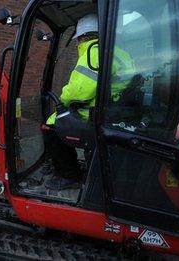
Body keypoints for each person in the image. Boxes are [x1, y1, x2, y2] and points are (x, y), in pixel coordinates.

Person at [43, 14, 134, 190]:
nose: (77, 43)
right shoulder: (118, 51)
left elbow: (80, 91)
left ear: (84, 36)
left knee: (50, 126)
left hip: (94, 113)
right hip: (112, 109)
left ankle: (70, 175)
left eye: (78, 39)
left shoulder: (93, 51)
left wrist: (62, 98)